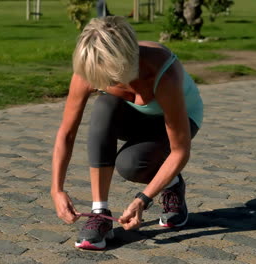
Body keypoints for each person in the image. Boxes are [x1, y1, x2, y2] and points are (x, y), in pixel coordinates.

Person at [51, 16, 203, 250]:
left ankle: (171, 184)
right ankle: (99, 213)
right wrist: (57, 189)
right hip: (133, 117)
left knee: (132, 164)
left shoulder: (163, 72)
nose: (105, 83)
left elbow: (180, 150)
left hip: (179, 117)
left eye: (111, 78)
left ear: (126, 62)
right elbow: (67, 133)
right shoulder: (90, 66)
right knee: (103, 105)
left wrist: (144, 199)